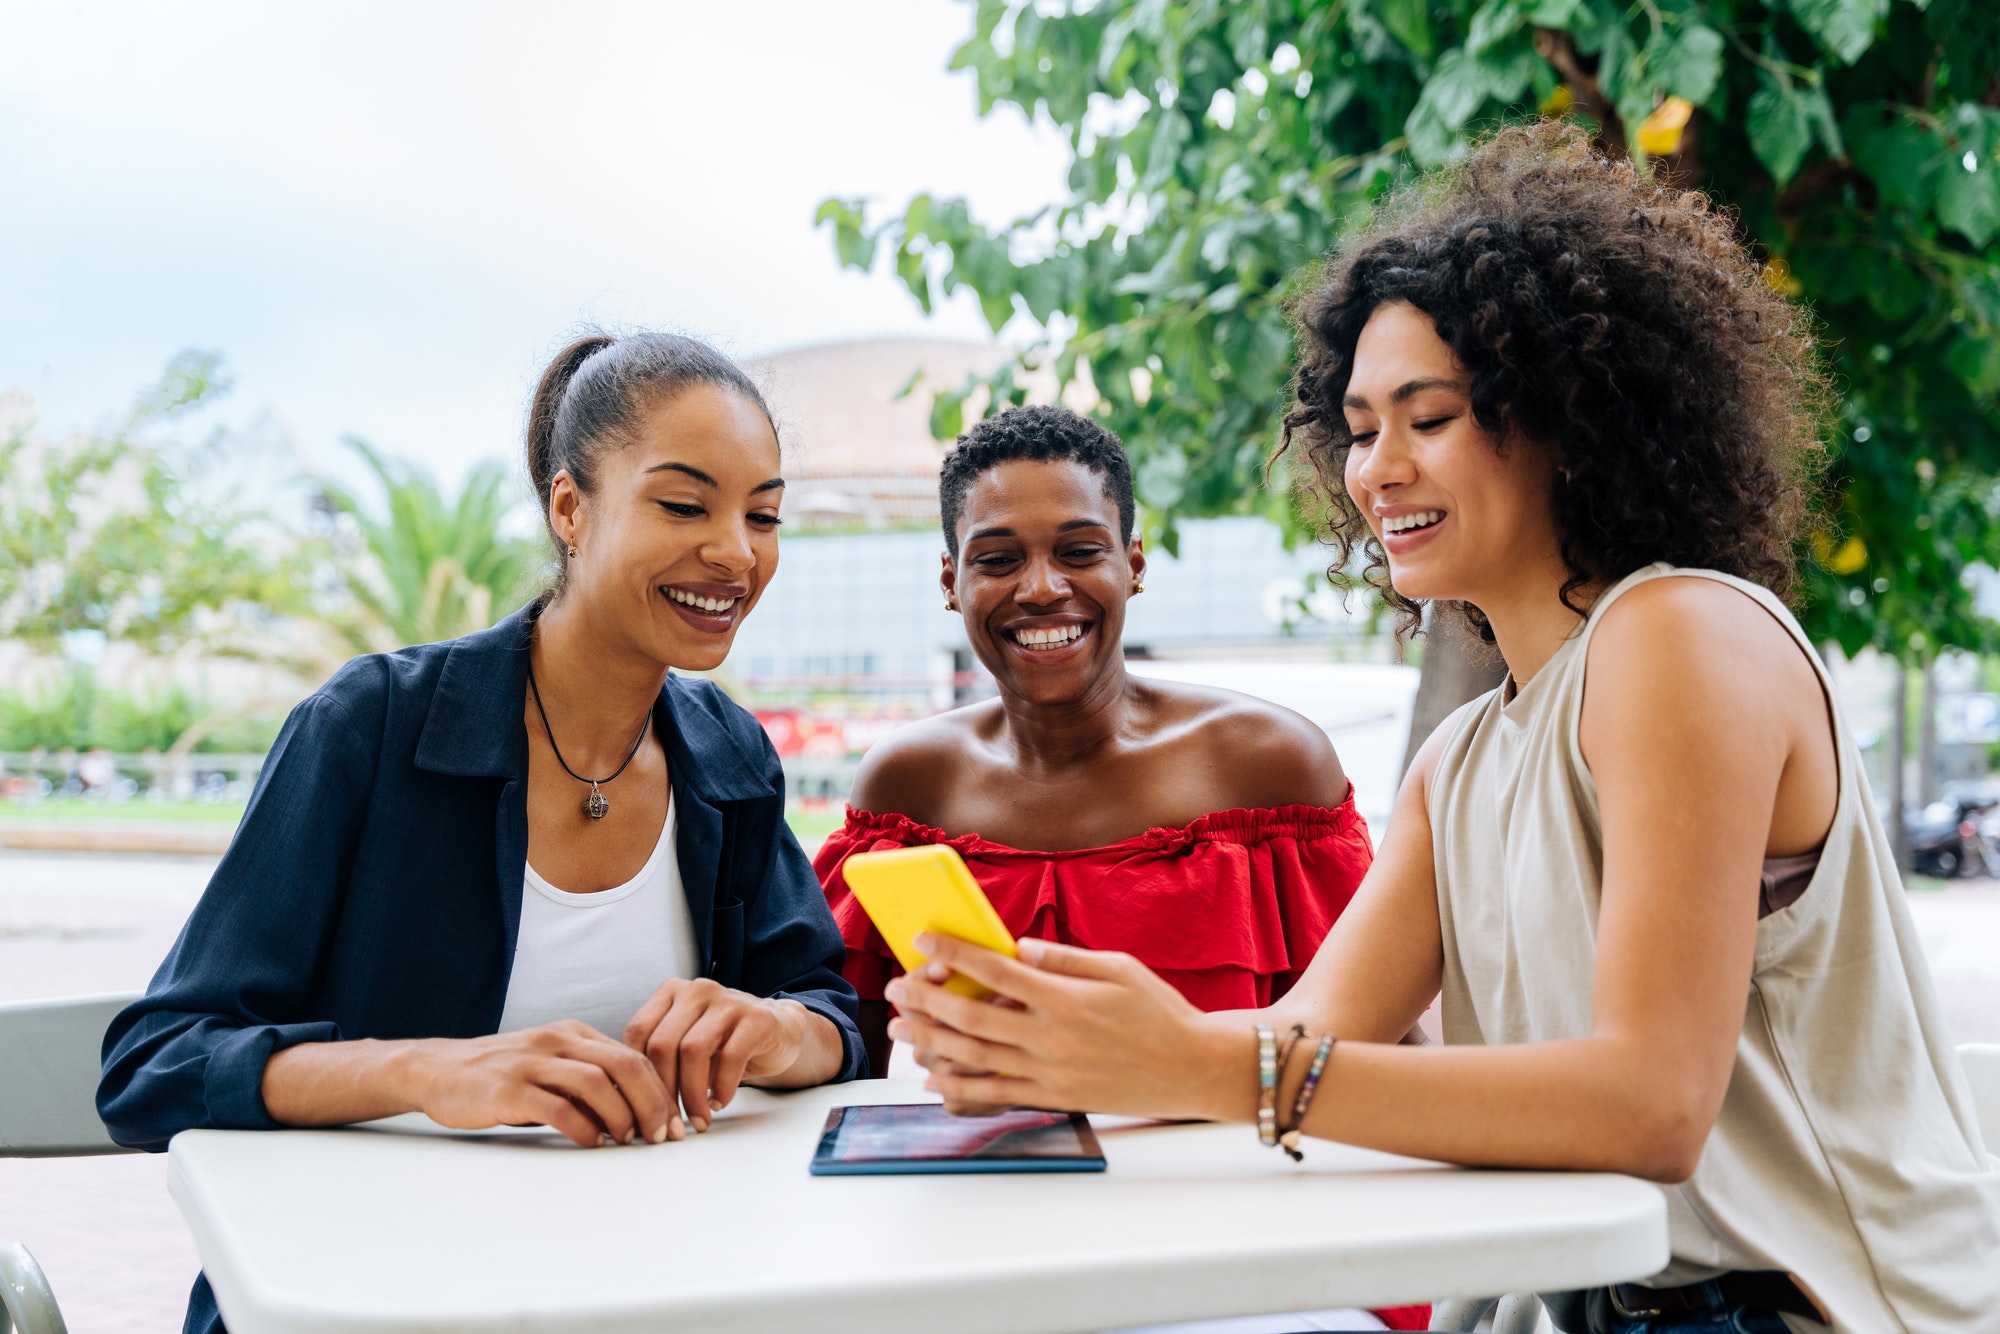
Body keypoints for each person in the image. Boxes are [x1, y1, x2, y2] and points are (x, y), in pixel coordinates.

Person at [883, 124, 2000, 1333]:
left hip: (1789, 1308)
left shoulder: (1677, 636)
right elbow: (1291, 1038)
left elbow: (1649, 1103)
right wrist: (1072, 1046)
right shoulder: (1457, 762)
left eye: (1427, 417)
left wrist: (1194, 1064)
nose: (1375, 471)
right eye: (1359, 428)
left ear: (1564, 413)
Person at [99, 332, 864, 1334]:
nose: (734, 550)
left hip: (648, 1286)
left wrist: (773, 1029)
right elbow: (152, 1064)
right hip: (362, 1293)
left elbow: (831, 1022)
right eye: (684, 504)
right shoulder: (368, 726)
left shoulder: (727, 755)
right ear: (568, 506)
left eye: (762, 514)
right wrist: (427, 1069)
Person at [815, 405, 1426, 1332]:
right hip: (984, 1243)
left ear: (1132, 565)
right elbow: (841, 1058)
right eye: (996, 558)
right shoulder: (909, 786)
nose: (1041, 587)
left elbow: (1390, 1049)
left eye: (1080, 549)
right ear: (950, 581)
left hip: (1247, 1244)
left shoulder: (1269, 765)